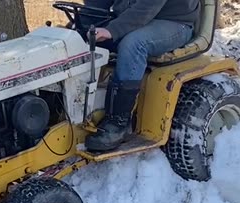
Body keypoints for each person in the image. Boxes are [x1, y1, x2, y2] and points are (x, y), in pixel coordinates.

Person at [83, 0, 201, 152]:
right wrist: (86, 19)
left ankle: (118, 121)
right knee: (79, 38)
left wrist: (113, 30)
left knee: (133, 44)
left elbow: (148, 6)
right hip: (134, 15)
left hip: (173, 21)